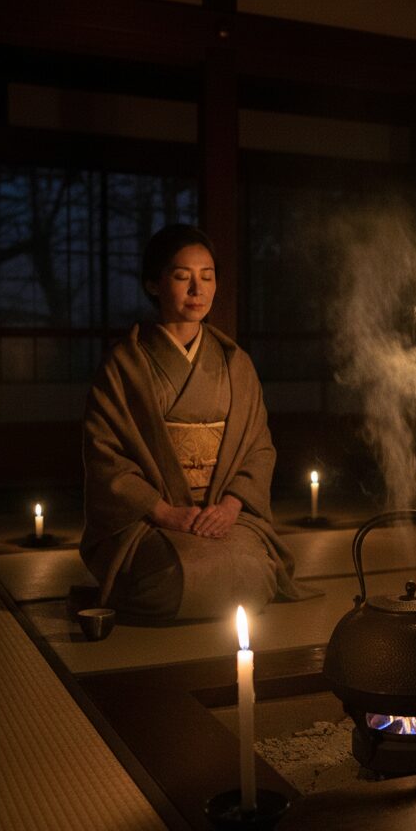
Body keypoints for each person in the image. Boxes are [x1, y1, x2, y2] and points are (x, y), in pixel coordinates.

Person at [80, 224, 305, 621]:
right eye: (183, 277)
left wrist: (231, 506)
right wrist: (165, 512)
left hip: (221, 514)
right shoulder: (124, 366)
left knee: (254, 573)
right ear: (153, 284)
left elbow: (259, 447)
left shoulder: (236, 363)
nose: (197, 290)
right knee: (171, 581)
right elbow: (105, 457)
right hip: (151, 520)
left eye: (208, 276)